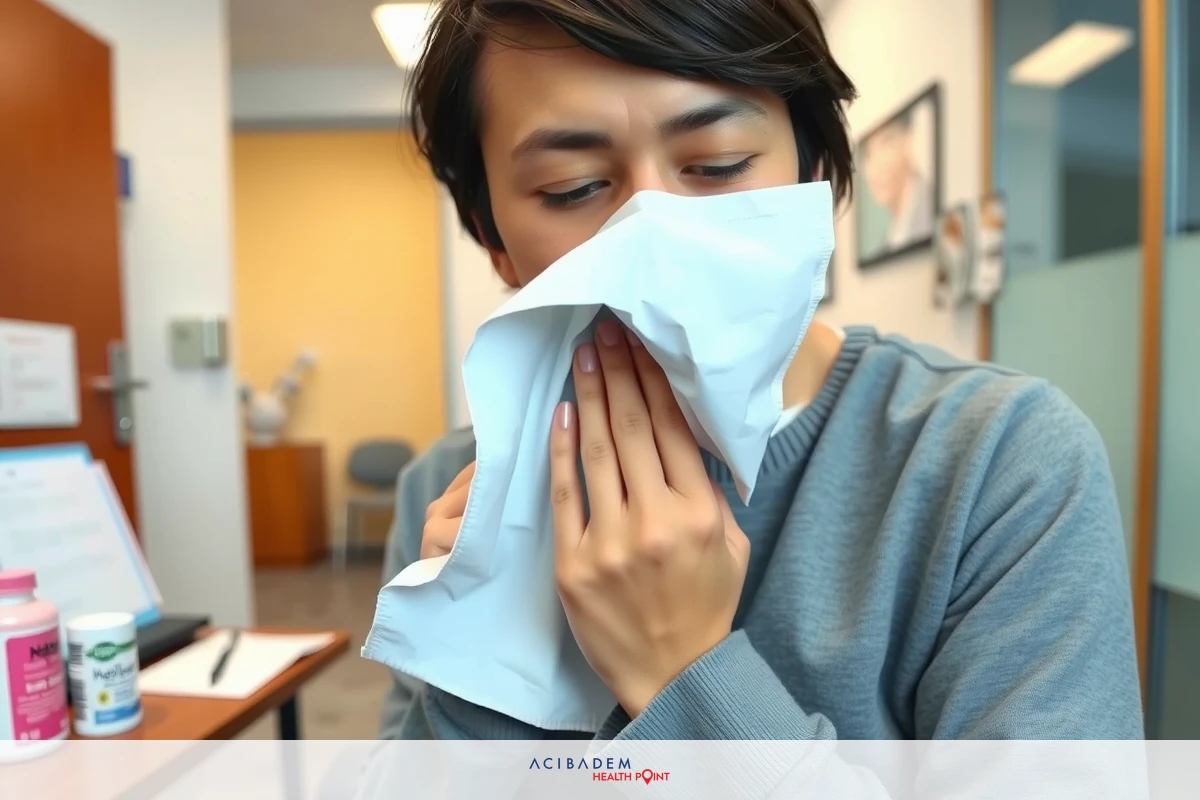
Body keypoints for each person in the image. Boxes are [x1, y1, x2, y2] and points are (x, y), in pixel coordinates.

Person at [378, 0, 1142, 741]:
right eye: (573, 188)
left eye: (719, 166)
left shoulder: (997, 465)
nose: (660, 237)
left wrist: (689, 674)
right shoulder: (450, 491)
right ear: (493, 237)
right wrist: (489, 658)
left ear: (812, 170)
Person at [861, 107, 935, 254]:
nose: (876, 166)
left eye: (885, 144)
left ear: (909, 141)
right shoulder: (890, 237)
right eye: (868, 154)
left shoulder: (930, 212)